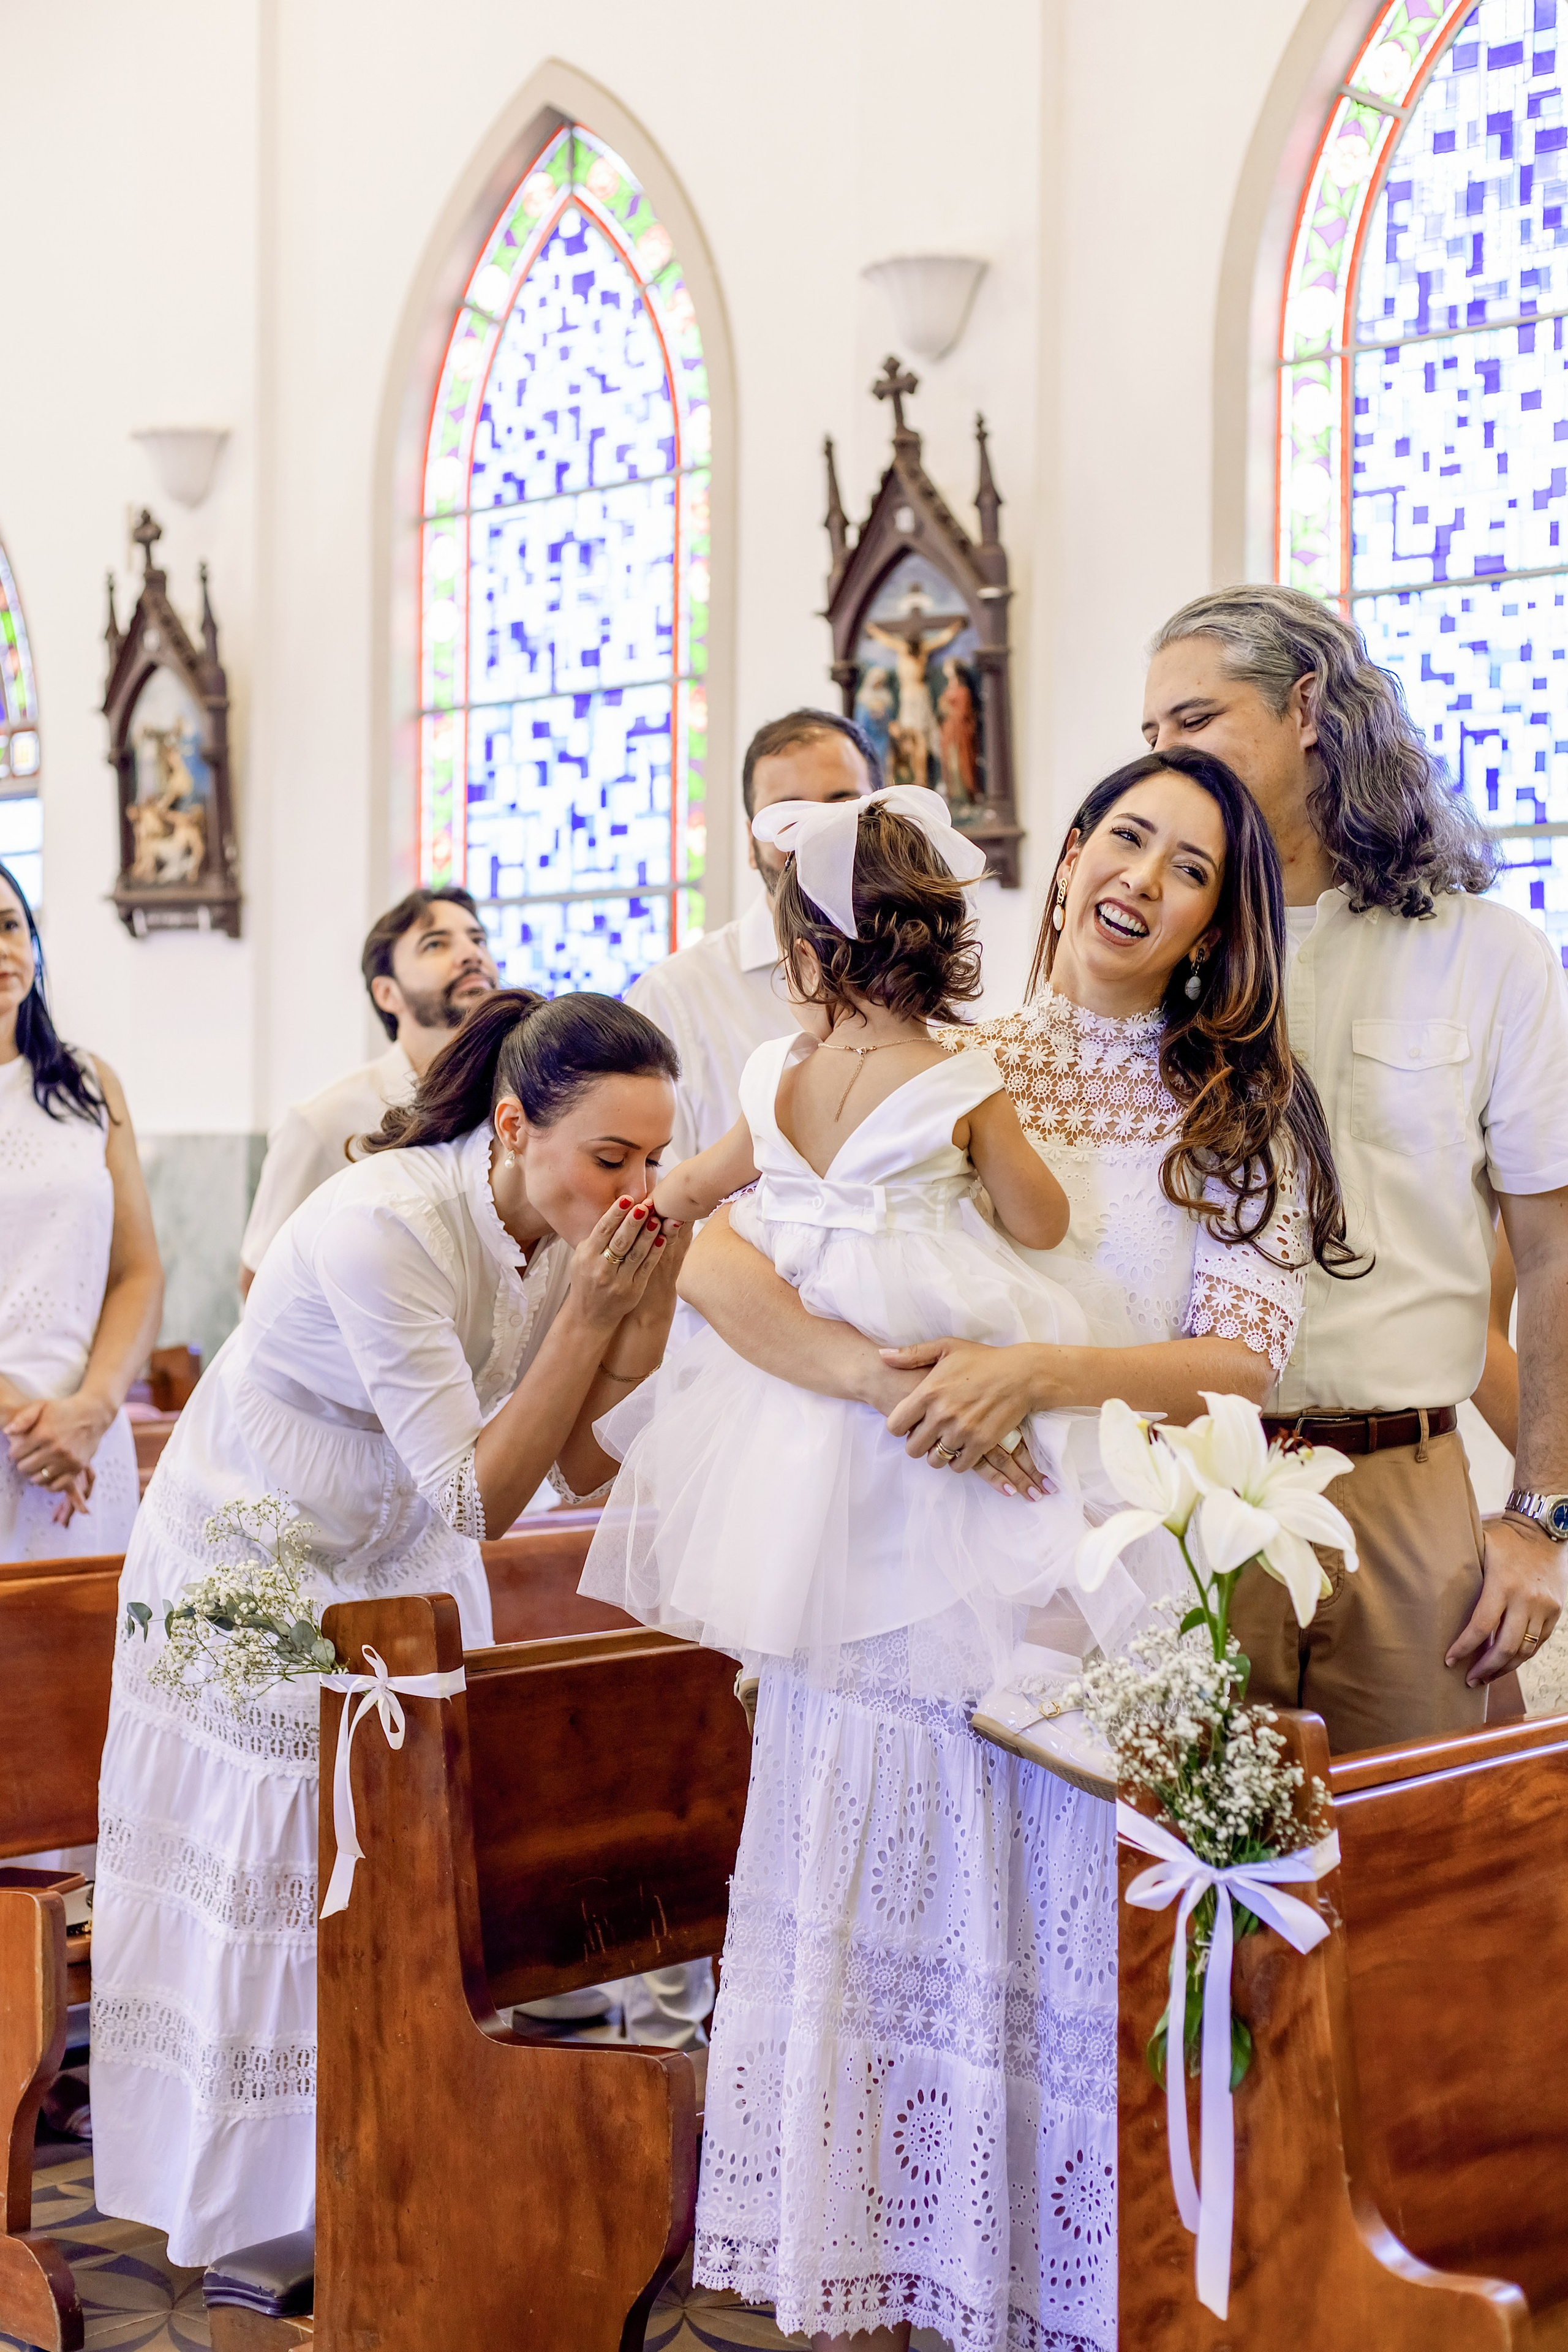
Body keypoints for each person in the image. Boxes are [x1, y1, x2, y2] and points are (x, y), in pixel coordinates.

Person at [663, 749, 1349, 2352]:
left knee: (1052, 1960)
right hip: (892, 1573)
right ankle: (890, 2294)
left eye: (1188, 868)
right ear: (1068, 854)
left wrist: (1035, 1377)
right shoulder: (928, 1050)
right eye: (1125, 834)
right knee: (889, 1941)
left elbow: (1240, 1362)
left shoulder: (1240, 1105)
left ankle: (1052, 2305)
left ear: (1215, 922)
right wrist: (869, 1377)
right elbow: (715, 1255)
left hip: (1092, 1580)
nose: (1142, 878)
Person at [91, 990, 688, 2267]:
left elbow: (568, 1473)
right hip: (253, 1561)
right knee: (284, 1869)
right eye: (610, 1159)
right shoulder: (389, 1226)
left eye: (656, 1160)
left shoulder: (557, 1229)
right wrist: (593, 1318)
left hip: (396, 1558)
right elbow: (481, 1496)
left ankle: (401, 2173)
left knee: (406, 1868)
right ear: (516, 1125)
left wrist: (630, 1335)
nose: (639, 1190)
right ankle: (267, 2222)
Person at [585, 785, 1139, 1697]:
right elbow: (1042, 1223)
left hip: (799, 1377)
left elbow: (690, 1187)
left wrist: (641, 1216)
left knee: (813, 1557)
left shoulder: (772, 1078)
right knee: (961, 1547)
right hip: (917, 1349)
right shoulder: (965, 1081)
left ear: (806, 960)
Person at [1142, 586, 1568, 1751]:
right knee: (1181, 1894)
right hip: (1184, 1488)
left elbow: (1553, 1252)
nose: (1165, 762)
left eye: (1194, 721)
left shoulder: (1487, 955)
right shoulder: (1156, 953)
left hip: (1400, 1491)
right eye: (1150, 742)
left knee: (1419, 1892)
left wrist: (1542, 1518)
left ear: (1309, 705)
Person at [626, 710, 878, 1167]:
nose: (817, 830)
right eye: (786, 815)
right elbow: (656, 1189)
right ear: (750, 842)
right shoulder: (672, 997)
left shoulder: (928, 972)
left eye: (842, 806)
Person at [0, 860, 163, 1561]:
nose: (2, 948)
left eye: (9, 925)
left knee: (91, 1662)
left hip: (89, 1439)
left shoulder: (88, 1083)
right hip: (35, 1435)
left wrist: (92, 1412)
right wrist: (30, 1429)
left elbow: (137, 1273)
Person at [238, 885, 499, 1293]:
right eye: (436, 944)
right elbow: (261, 1279)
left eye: (478, 939)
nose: (472, 954)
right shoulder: (324, 1121)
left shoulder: (514, 1100)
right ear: (387, 993)